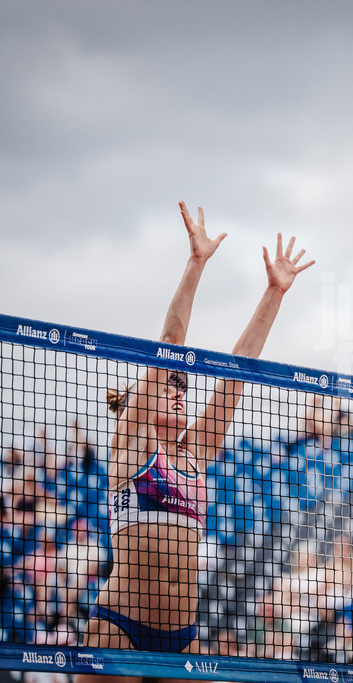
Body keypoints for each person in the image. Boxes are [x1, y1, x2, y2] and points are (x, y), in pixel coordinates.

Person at [78, 202, 313, 669]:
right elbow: (171, 342)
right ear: (143, 398)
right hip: (119, 625)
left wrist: (274, 293)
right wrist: (196, 262)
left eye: (185, 388)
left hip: (183, 635)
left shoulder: (195, 453)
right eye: (172, 385)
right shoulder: (132, 444)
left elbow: (238, 374)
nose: (181, 392)